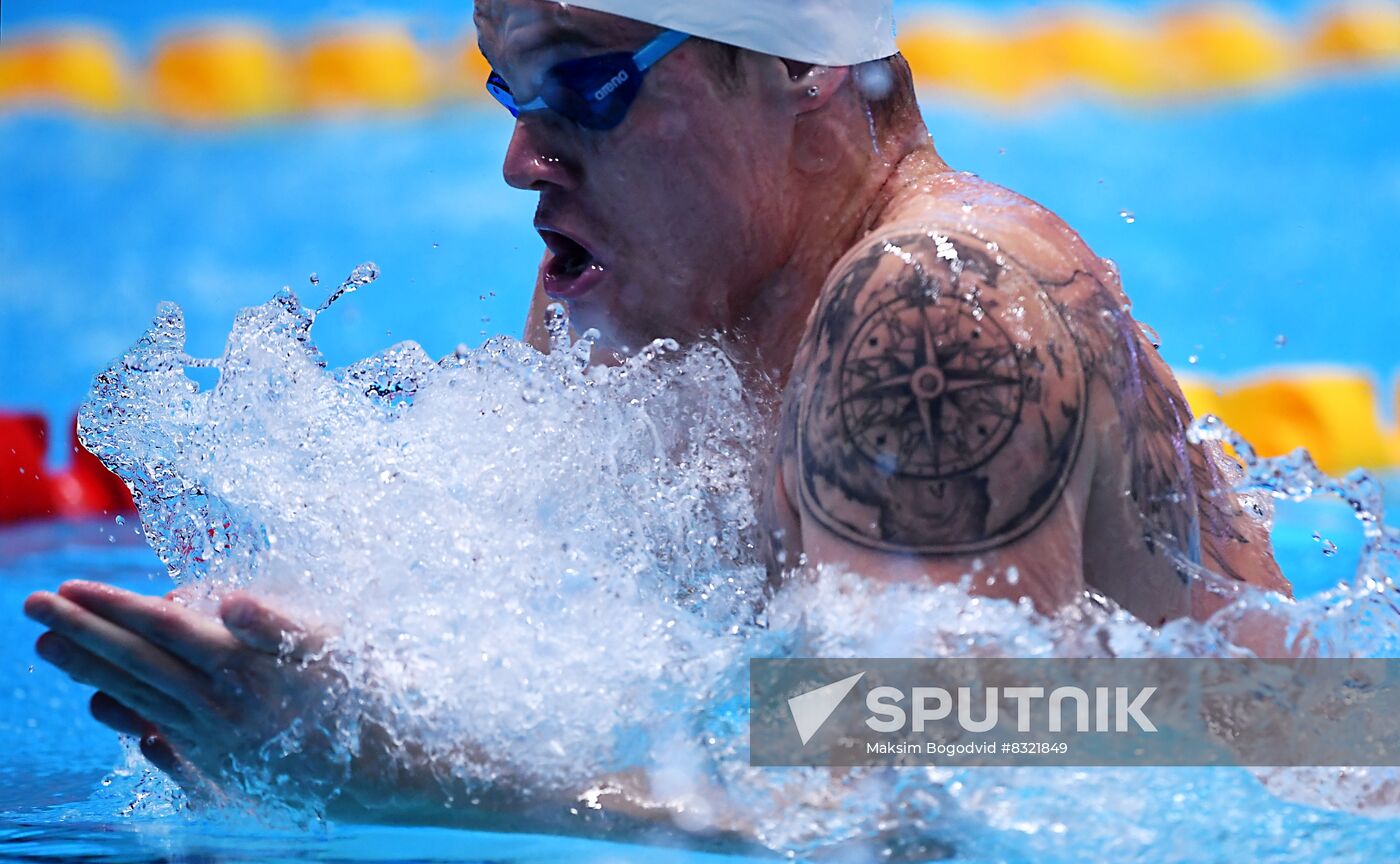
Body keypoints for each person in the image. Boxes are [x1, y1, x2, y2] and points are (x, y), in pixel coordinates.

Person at [24, 0, 1291, 843]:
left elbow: (930, 815)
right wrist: (280, 685)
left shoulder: (932, 306)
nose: (525, 159)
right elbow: (578, 639)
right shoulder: (635, 288)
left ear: (797, 64)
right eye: (507, 91)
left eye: (584, 82)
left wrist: (409, 769)